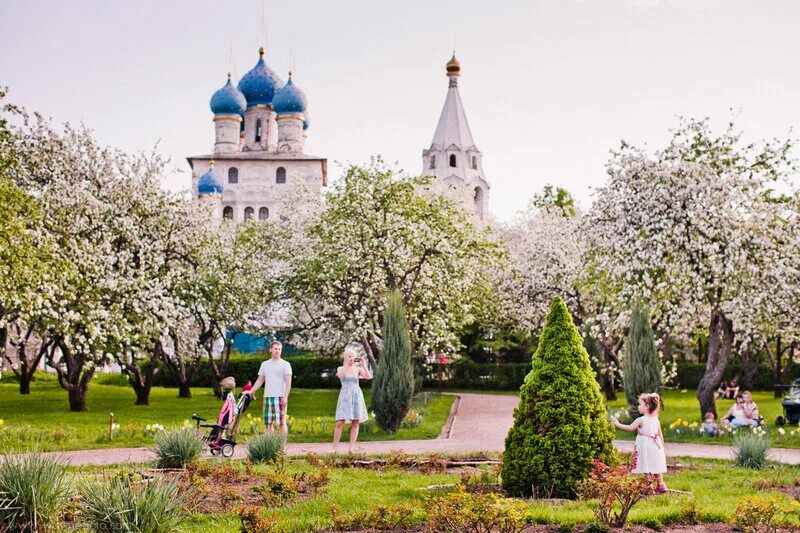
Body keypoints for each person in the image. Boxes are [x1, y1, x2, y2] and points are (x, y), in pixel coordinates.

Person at [611, 392, 668, 494]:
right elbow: (660, 435)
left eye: (640, 404)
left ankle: (649, 487)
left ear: (646, 407)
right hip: (656, 446)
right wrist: (662, 448)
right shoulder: (656, 420)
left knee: (647, 466)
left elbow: (629, 428)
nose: (638, 406)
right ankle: (661, 485)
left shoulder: (640, 420)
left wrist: (617, 424)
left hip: (646, 446)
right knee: (655, 465)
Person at [247, 340, 292, 438]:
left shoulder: (286, 364)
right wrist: (251, 391)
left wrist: (285, 397)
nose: (277, 351)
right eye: (275, 349)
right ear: (270, 350)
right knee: (268, 423)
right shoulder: (264, 364)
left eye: (279, 349)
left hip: (280, 397)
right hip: (267, 397)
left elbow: (288, 382)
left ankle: (281, 447)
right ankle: (269, 446)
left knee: (281, 423)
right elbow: (260, 380)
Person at [333, 346, 372, 453]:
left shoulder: (358, 369)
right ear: (345, 357)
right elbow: (340, 376)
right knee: (339, 422)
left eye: (353, 356)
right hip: (345, 397)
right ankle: (335, 449)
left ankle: (351, 448)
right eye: (350, 356)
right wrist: (347, 365)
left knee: (355, 422)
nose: (352, 358)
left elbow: (368, 377)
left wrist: (364, 366)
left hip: (356, 396)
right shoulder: (340, 368)